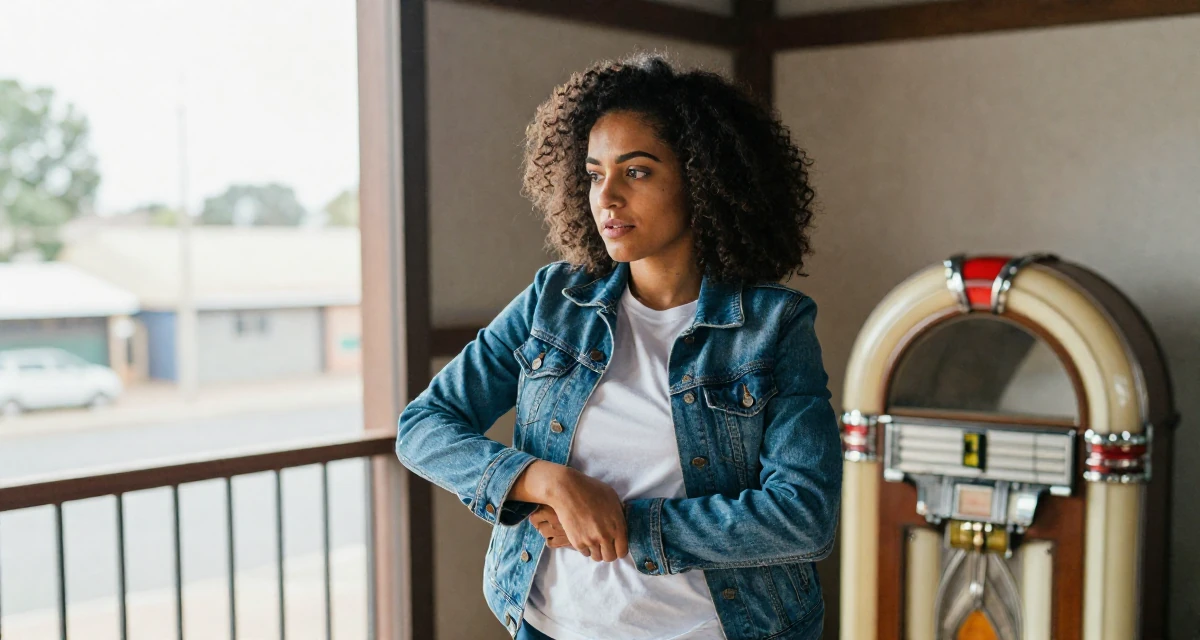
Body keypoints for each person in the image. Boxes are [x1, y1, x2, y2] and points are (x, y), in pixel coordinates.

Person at [395, 52, 842, 640]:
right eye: (593, 172)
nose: (605, 197)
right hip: (549, 625)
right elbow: (423, 426)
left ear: (703, 180)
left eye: (636, 172)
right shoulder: (553, 300)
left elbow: (803, 516)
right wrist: (546, 481)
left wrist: (630, 526)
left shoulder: (773, 326)